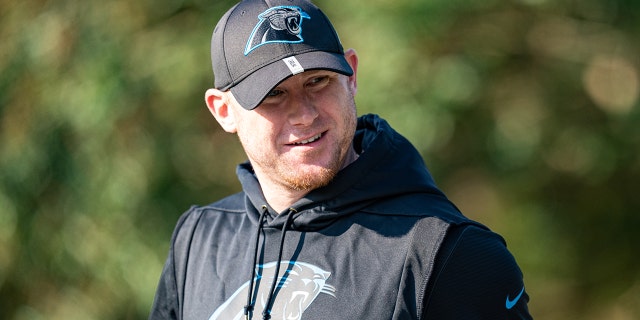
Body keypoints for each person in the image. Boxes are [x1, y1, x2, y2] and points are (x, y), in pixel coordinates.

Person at [149, 0, 533, 319]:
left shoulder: (449, 254)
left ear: (350, 75)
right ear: (223, 111)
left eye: (318, 81)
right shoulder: (199, 238)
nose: (304, 114)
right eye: (273, 95)